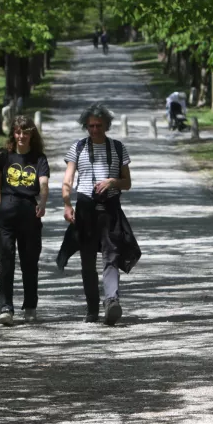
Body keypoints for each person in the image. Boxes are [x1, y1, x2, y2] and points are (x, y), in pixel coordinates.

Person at [61, 103, 138, 325]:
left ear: (107, 126)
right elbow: (67, 181)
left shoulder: (118, 148)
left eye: (99, 125)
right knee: (87, 261)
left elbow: (128, 183)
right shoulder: (77, 148)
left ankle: (112, 301)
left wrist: (113, 182)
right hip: (85, 210)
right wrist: (67, 205)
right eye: (91, 126)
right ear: (85, 126)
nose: (95, 130)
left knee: (111, 256)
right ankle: (92, 308)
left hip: (111, 209)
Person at [0, 115, 49, 325]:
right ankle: (6, 308)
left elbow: (43, 183)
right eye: (18, 131)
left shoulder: (39, 159)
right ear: (13, 133)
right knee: (6, 261)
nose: (22, 136)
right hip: (6, 213)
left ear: (32, 133)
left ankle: (30, 306)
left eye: (26, 132)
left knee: (30, 262)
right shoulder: (3, 156)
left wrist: (42, 202)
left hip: (29, 213)